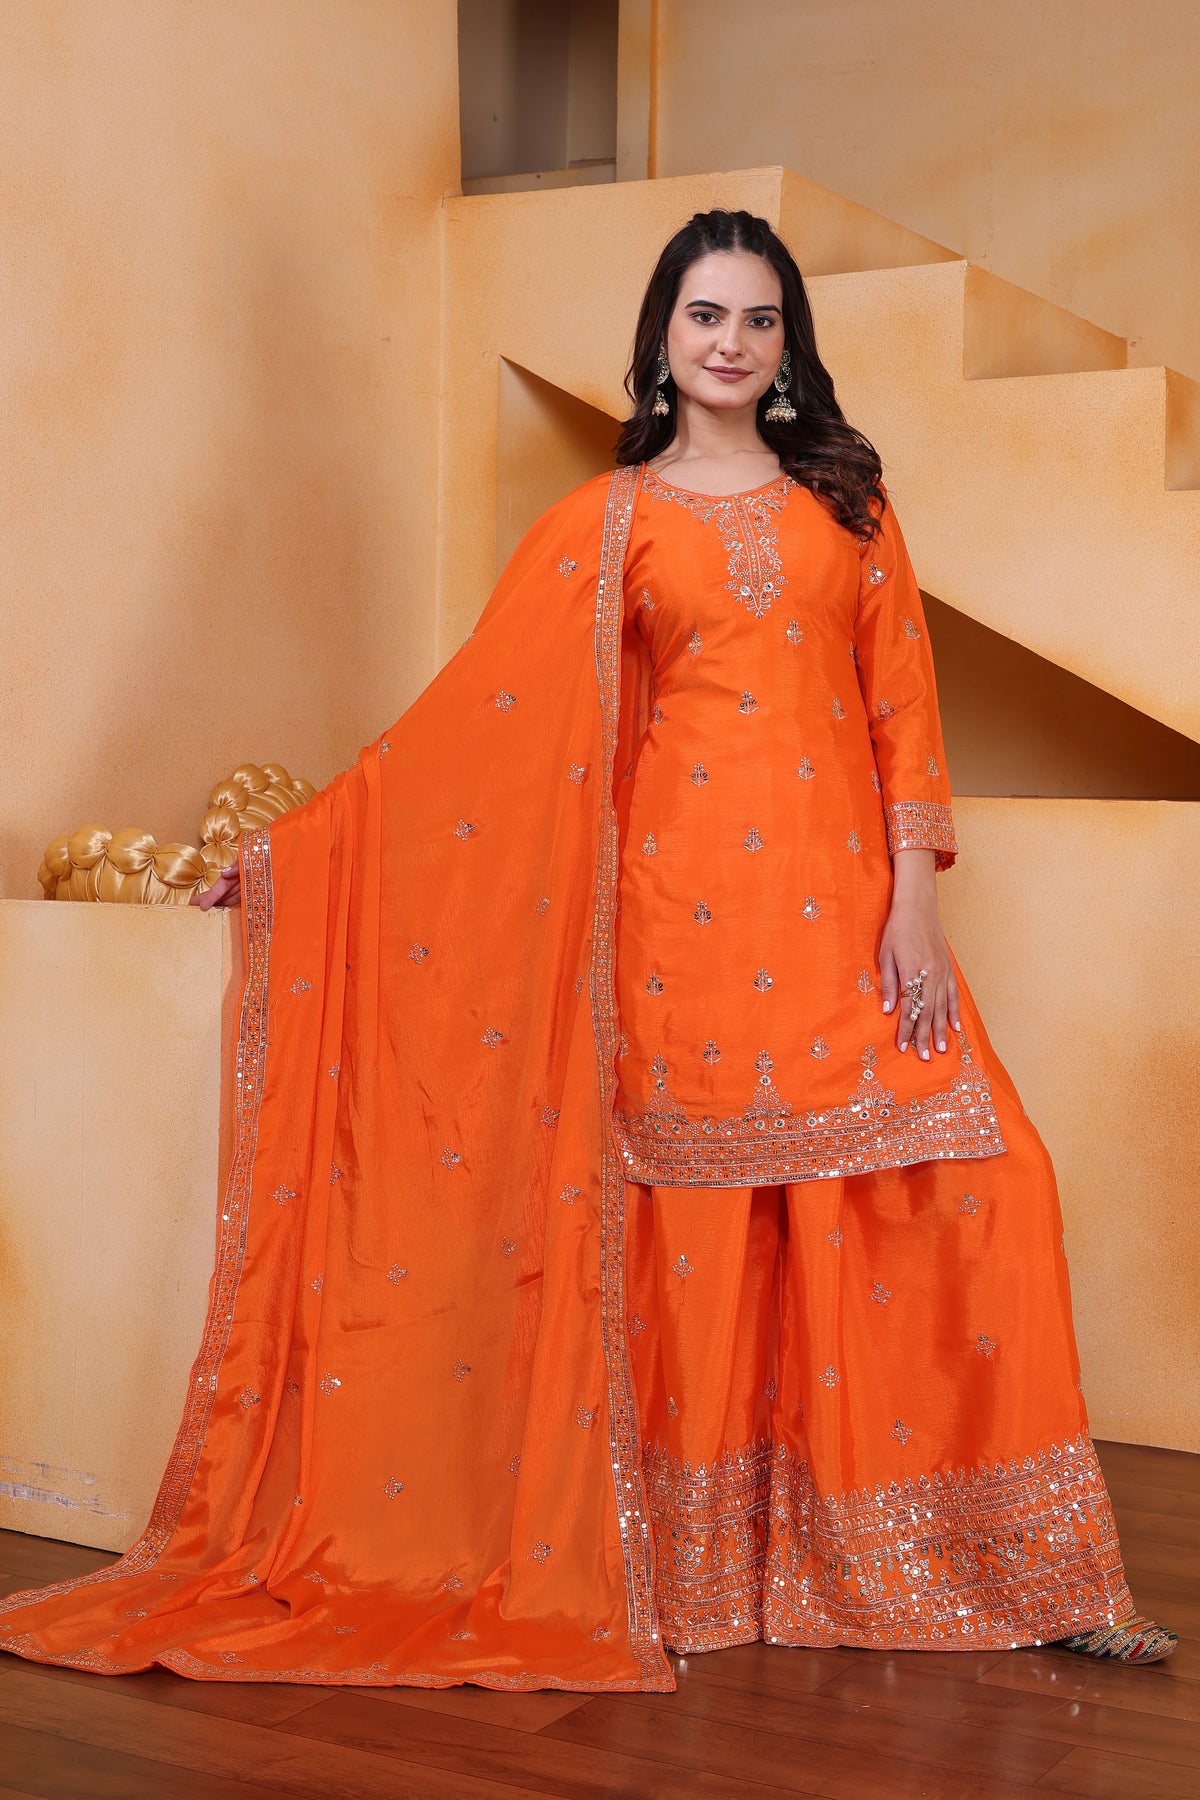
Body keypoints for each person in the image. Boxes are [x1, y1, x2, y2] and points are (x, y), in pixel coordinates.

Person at [0, 210, 1173, 1687]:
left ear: (789, 342)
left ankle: (1026, 1571)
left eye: (757, 318)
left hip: (847, 917)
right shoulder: (608, 520)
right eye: (704, 317)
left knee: (987, 1178)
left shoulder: (853, 506)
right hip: (678, 921)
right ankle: (688, 1569)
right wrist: (297, 855)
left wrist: (918, 895)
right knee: (696, 1237)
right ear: (661, 341)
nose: (731, 343)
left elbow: (902, 711)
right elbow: (479, 719)